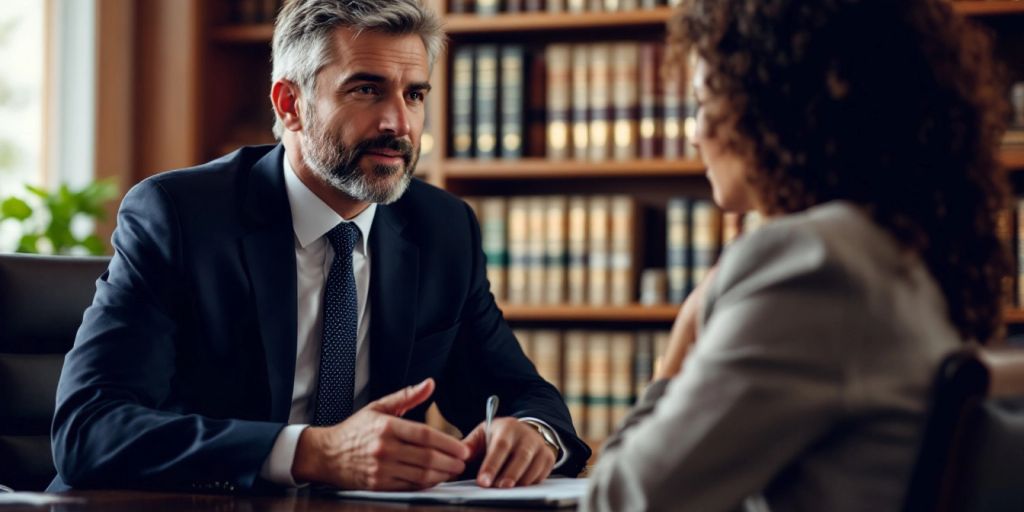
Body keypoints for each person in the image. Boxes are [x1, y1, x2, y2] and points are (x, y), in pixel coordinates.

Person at [49, 0, 589, 493]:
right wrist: (310, 452)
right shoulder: (182, 218)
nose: (399, 124)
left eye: (415, 94)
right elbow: (90, 429)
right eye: (366, 90)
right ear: (290, 104)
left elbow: (522, 393)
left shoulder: (442, 229)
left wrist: (533, 433)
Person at [583, 0, 1010, 510]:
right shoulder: (904, 255)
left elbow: (624, 500)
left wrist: (680, 346)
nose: (694, 133)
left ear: (775, 103)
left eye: (702, 101)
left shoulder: (813, 264)